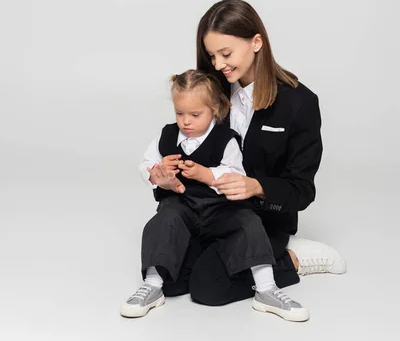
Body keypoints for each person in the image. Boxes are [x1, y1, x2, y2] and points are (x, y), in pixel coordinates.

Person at [145, 0, 346, 307]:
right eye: (211, 55)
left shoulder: (299, 103)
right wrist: (164, 174)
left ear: (256, 42)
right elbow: (186, 142)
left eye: (226, 54)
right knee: (168, 281)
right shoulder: (211, 91)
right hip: (206, 211)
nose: (217, 65)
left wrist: (257, 186)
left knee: (207, 288)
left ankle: (292, 259)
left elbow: (302, 190)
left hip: (258, 219)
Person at [120, 70, 309, 321]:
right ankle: (152, 286)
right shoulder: (165, 137)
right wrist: (158, 175)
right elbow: (146, 165)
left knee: (247, 221)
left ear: (215, 109)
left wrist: (206, 175)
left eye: (195, 115)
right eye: (179, 113)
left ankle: (266, 288)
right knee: (164, 220)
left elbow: (235, 173)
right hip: (184, 208)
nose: (186, 122)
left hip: (221, 209)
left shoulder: (225, 139)